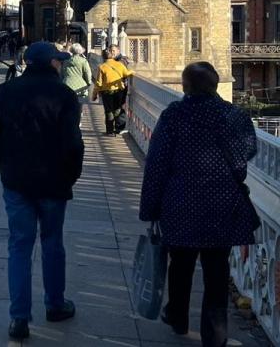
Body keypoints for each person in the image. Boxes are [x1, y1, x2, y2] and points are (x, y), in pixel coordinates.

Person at [139, 62, 259, 347]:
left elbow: (156, 164)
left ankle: (178, 316)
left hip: (179, 202)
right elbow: (248, 151)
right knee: (217, 272)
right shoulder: (233, 115)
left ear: (186, 86)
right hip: (221, 204)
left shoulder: (174, 116)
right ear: (216, 86)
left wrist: (149, 208)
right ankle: (215, 337)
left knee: (180, 264)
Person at [0, 42, 84, 340]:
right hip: (54, 182)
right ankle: (55, 304)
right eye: (59, 61)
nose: (61, 65)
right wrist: (70, 177)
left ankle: (19, 318)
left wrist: (6, 168)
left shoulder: (5, 91)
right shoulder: (64, 95)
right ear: (51, 63)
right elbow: (74, 144)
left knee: (19, 247)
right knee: (52, 243)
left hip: (17, 182)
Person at [93, 48, 134, 135]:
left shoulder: (101, 67)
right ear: (112, 56)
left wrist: (95, 94)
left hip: (106, 92)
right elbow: (126, 74)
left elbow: (98, 83)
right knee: (117, 108)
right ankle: (118, 127)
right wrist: (132, 72)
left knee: (108, 111)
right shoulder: (119, 64)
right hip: (119, 91)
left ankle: (110, 131)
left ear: (103, 57)